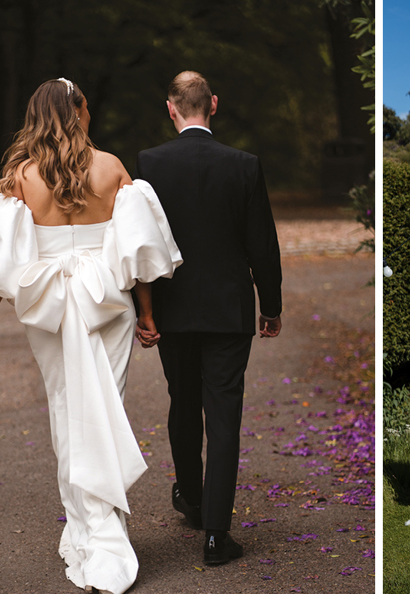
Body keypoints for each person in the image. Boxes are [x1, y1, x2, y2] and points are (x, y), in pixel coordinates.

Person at [0, 78, 182, 594]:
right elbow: (135, 255)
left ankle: (87, 533)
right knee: (106, 409)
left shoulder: (21, 176)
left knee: (67, 413)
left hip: (50, 311)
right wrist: (147, 313)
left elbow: (1, 261)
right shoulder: (111, 169)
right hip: (107, 304)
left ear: (37, 116)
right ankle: (105, 535)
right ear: (79, 110)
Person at [135, 71, 282, 566]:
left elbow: (141, 245)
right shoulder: (244, 166)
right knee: (223, 416)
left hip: (172, 311)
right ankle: (217, 534)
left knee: (183, 401)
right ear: (213, 105)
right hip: (228, 310)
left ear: (172, 108)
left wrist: (144, 309)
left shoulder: (149, 164)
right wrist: (272, 304)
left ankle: (192, 501)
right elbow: (262, 242)